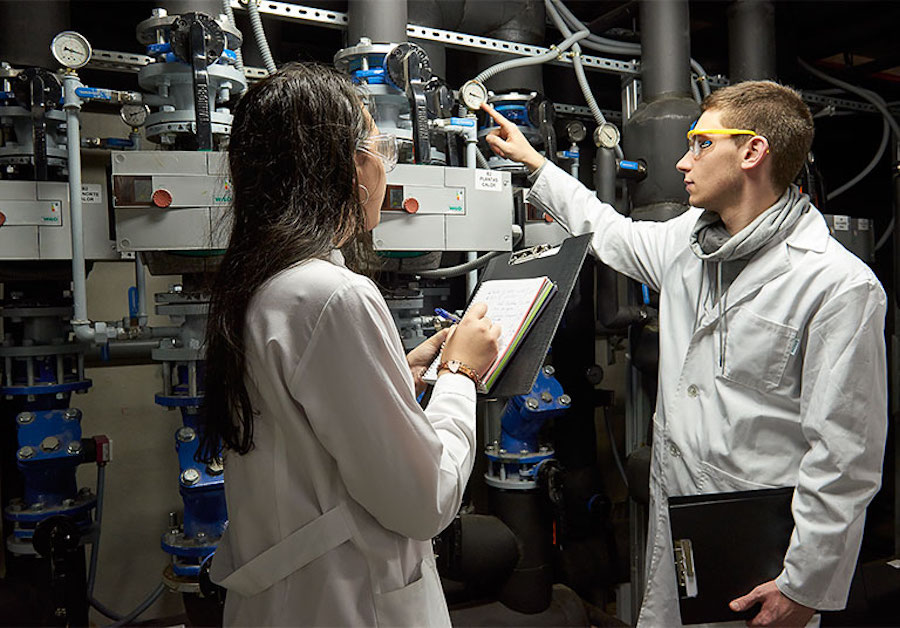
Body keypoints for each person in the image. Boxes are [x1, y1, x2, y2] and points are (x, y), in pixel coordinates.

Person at [482, 80, 888, 627]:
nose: (681, 161)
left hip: (763, 548)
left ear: (751, 151)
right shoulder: (687, 243)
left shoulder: (837, 285)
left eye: (700, 143)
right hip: (679, 518)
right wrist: (535, 163)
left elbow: (845, 456)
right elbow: (611, 234)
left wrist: (805, 583)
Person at [197, 63, 501, 626]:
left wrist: (396, 375)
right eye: (380, 147)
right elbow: (424, 499)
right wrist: (460, 375)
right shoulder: (332, 294)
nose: (386, 166)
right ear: (348, 165)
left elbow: (303, 427)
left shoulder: (262, 285)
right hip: (345, 602)